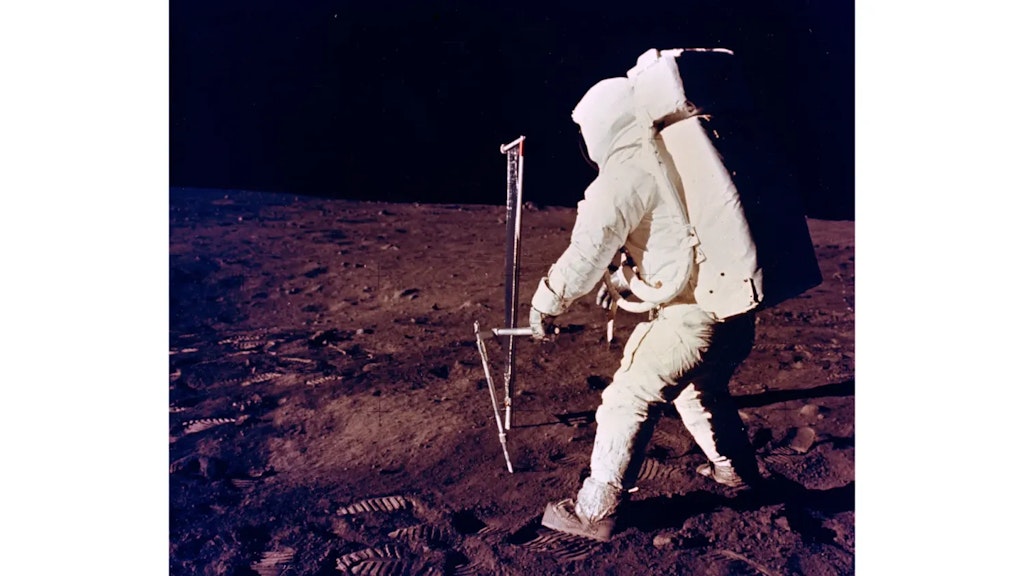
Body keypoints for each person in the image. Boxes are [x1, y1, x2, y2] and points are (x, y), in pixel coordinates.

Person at [528, 76, 763, 542]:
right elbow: (675, 240)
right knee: (701, 391)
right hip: (734, 312)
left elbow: (587, 250)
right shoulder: (679, 158)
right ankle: (736, 474)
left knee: (628, 397)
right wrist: (621, 281)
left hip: (692, 318)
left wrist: (546, 302)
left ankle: (596, 510)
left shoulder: (623, 176)